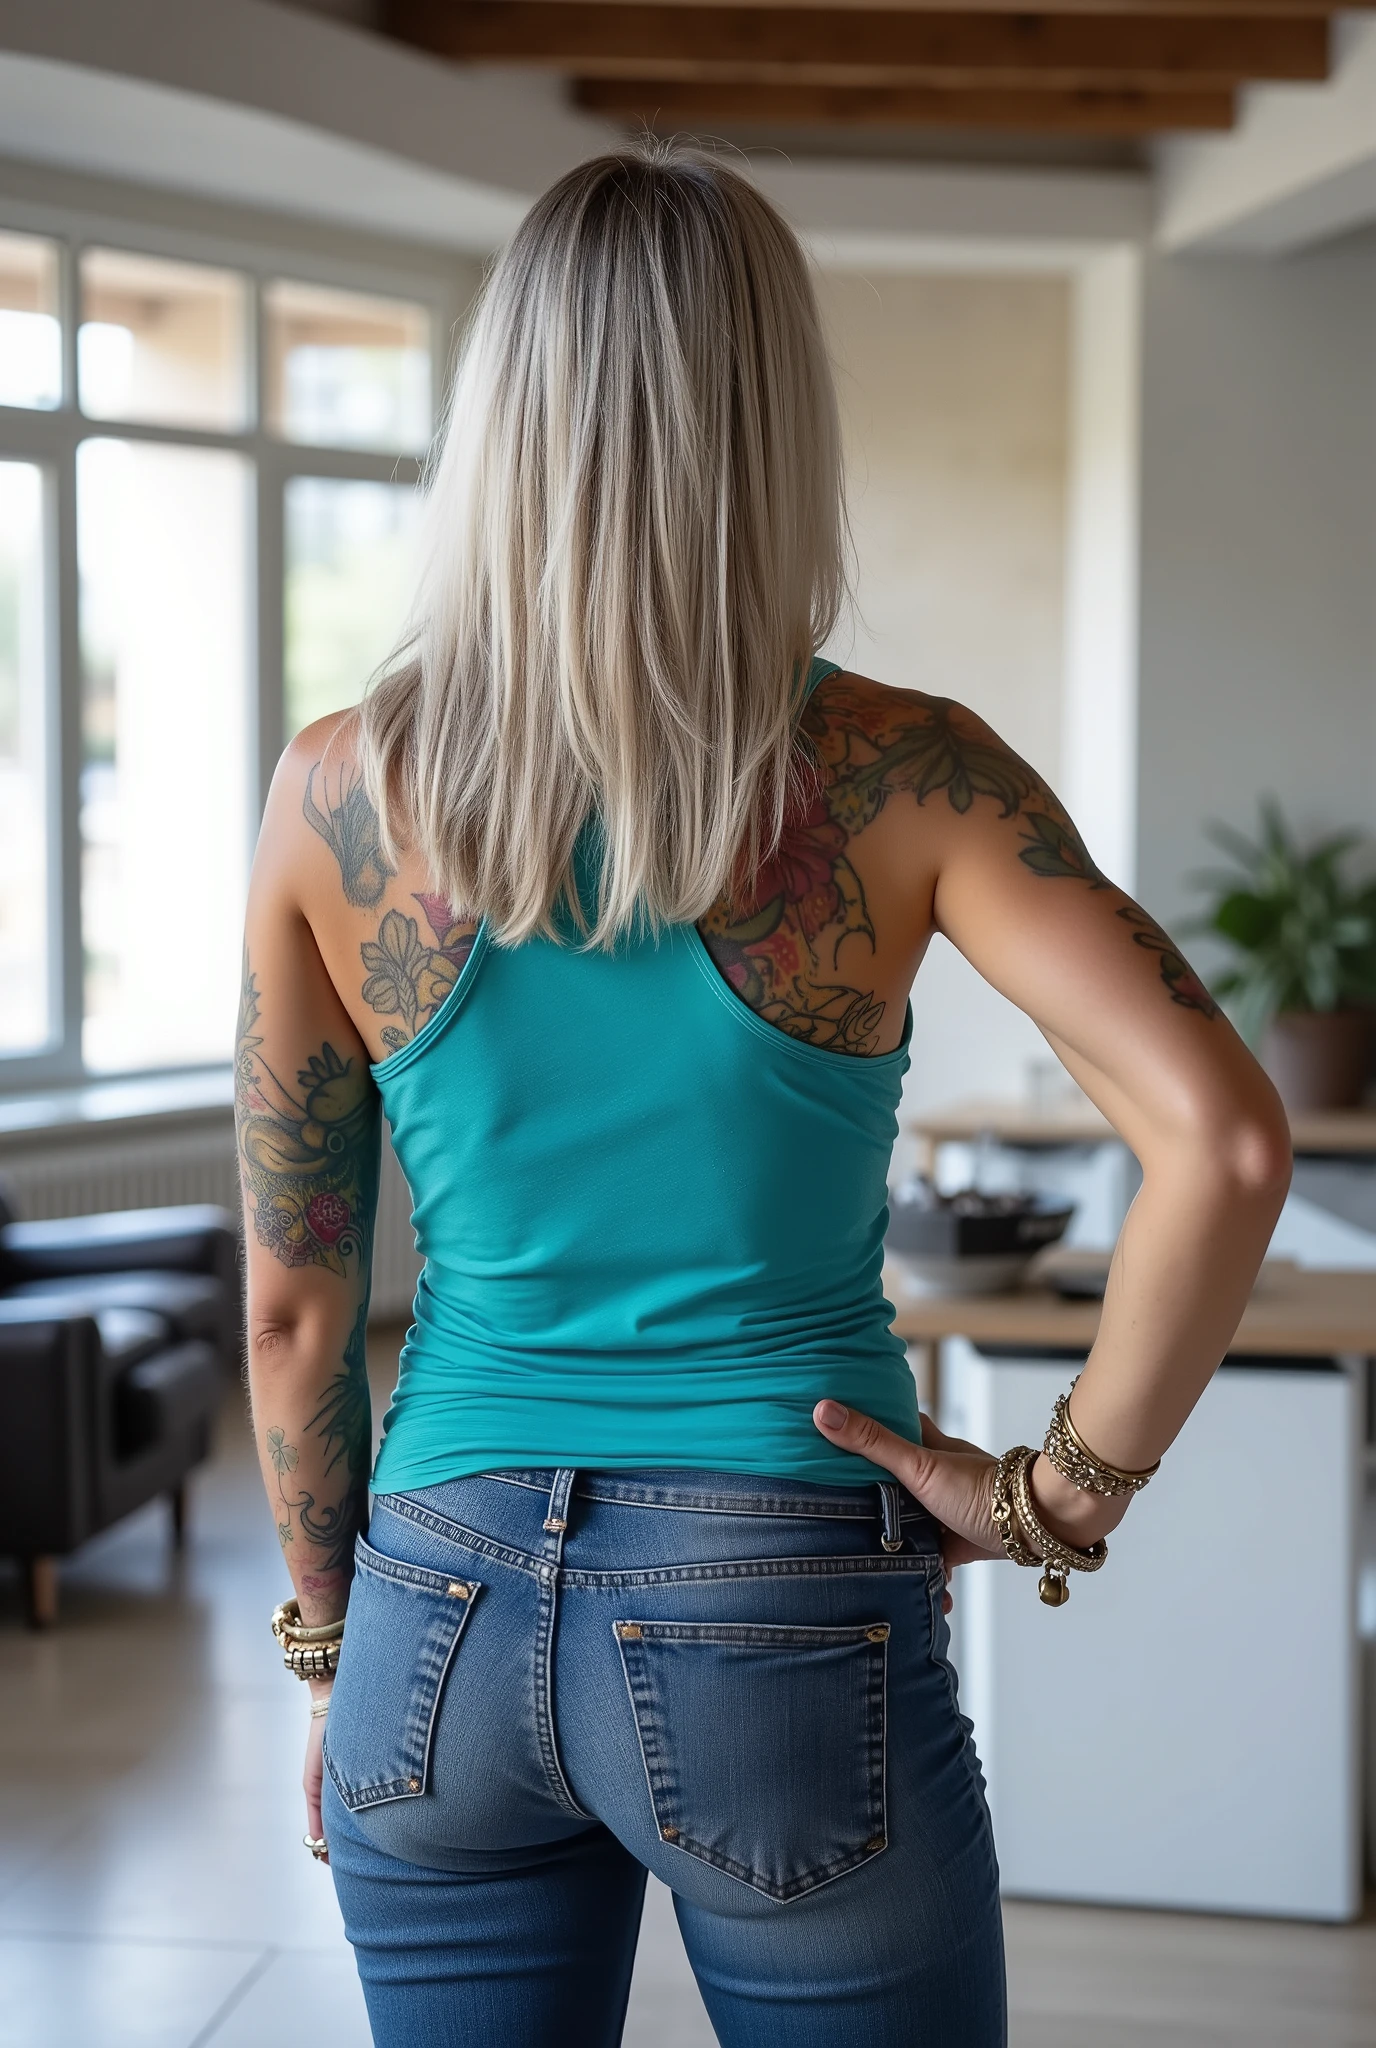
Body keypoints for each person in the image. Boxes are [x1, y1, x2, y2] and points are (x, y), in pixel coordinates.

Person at [238, 142, 1291, 2048]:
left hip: (436, 1604)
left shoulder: (332, 793)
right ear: (768, 425)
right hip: (780, 1591)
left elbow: (298, 1305)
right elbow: (1221, 1140)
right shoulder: (906, 775)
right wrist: (1058, 1500)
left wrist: (330, 1653)